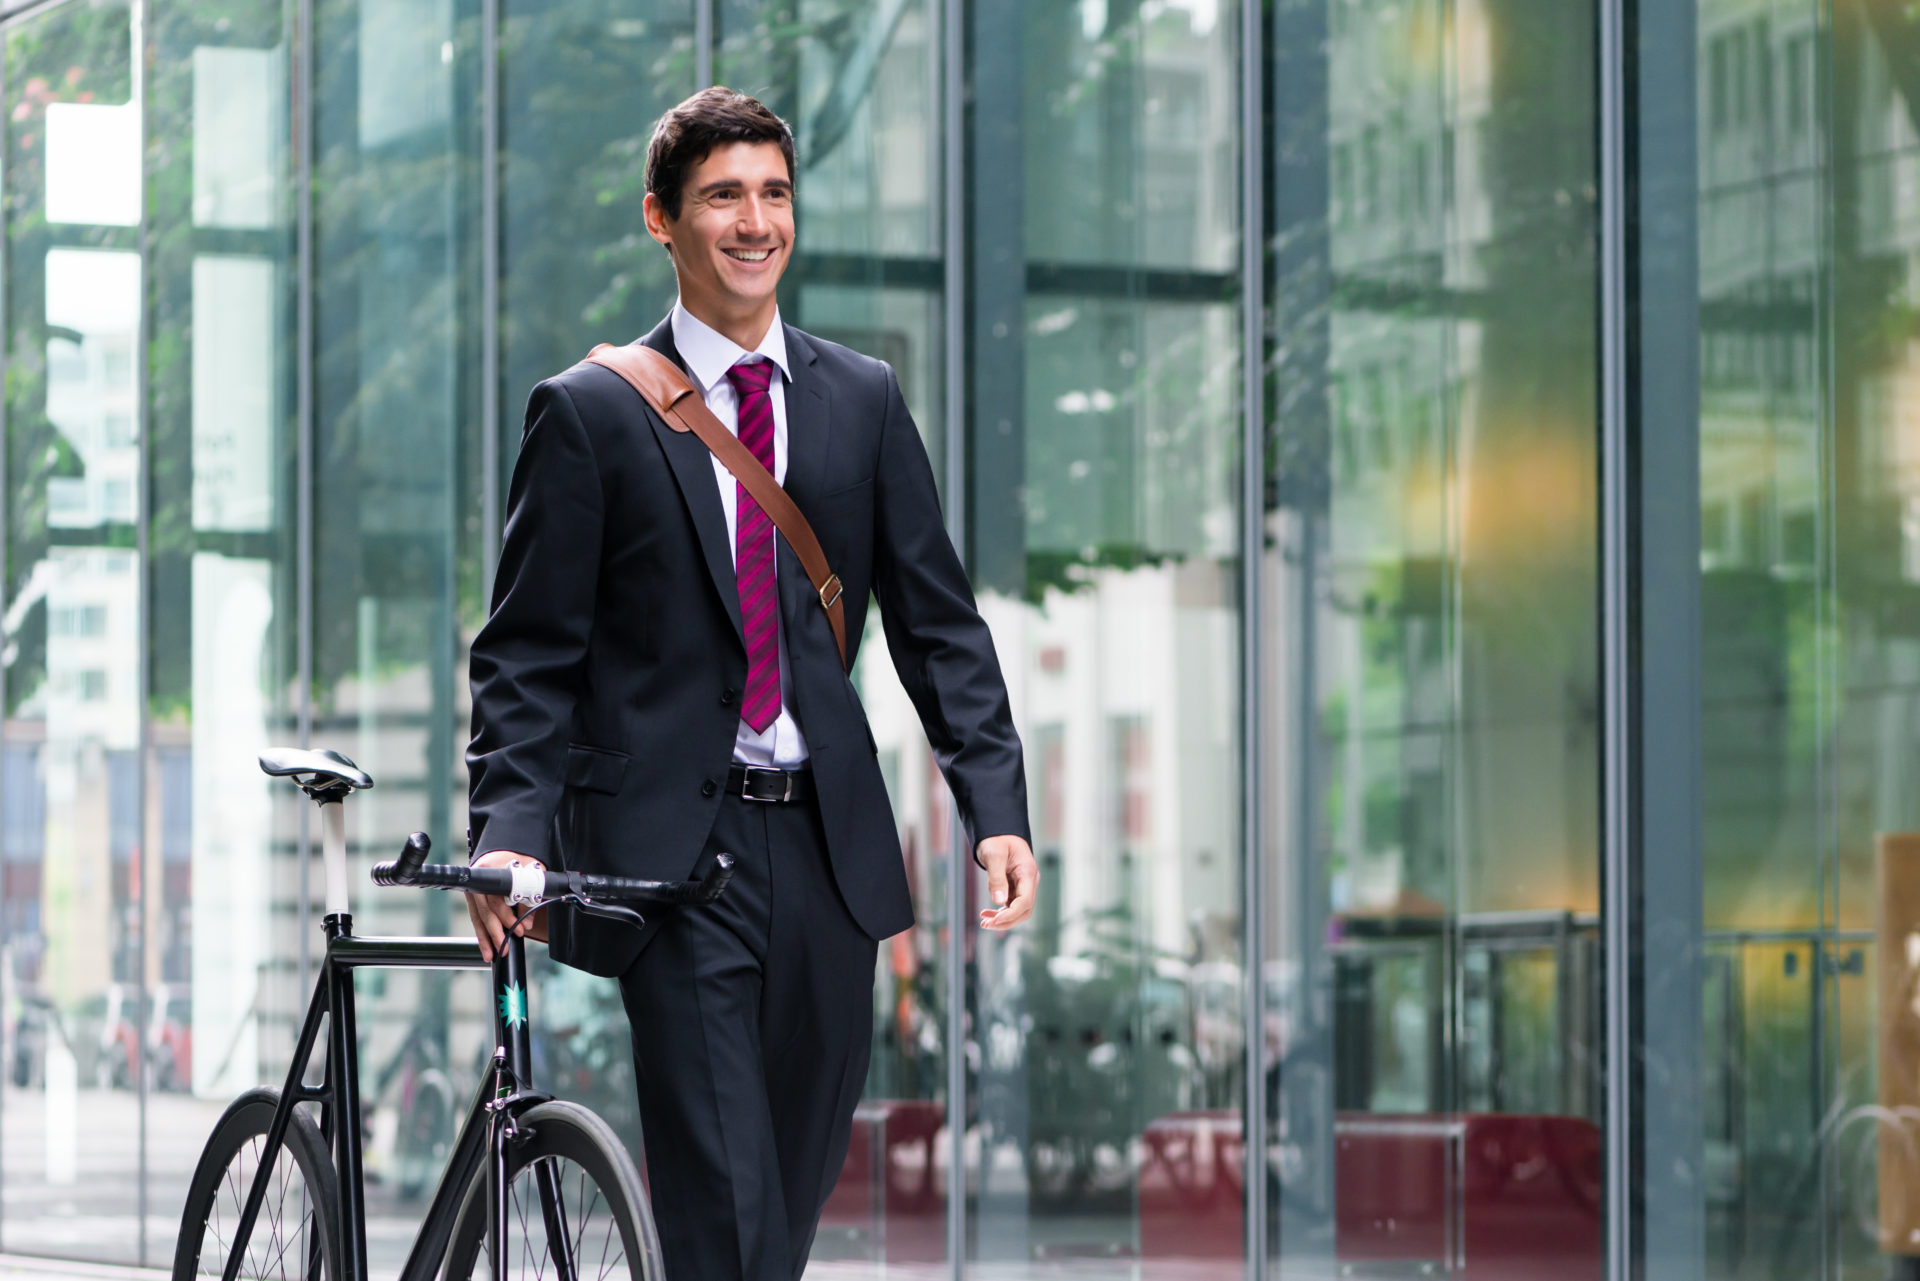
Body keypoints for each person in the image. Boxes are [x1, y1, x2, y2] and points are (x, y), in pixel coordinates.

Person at [463, 86, 1039, 1281]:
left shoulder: (862, 400)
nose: (754, 220)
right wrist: (510, 832)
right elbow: (529, 653)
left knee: (780, 1203)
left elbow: (937, 624)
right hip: (677, 859)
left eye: (774, 193)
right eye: (723, 194)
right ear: (662, 220)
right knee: (723, 1199)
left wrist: (996, 806)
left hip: (829, 860)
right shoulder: (592, 415)